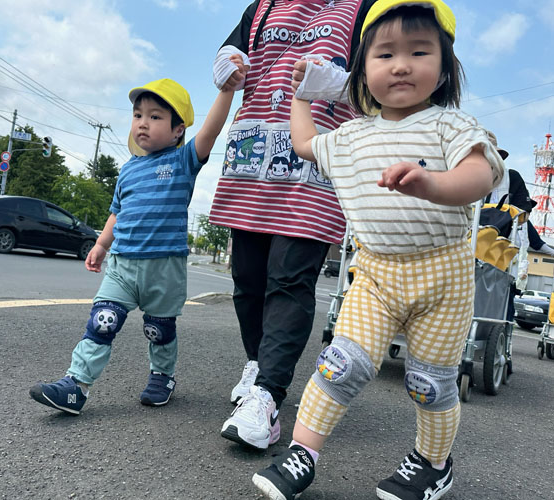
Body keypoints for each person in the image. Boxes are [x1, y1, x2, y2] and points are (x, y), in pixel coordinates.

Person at [251, 1, 505, 499]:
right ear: (363, 70)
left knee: (429, 384)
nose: (402, 64)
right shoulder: (351, 135)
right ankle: (303, 452)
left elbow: (479, 174)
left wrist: (433, 183)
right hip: (375, 273)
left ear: (445, 66)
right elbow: (304, 143)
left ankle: (433, 464)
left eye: (419, 51)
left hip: (443, 278)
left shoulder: (450, 125)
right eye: (385, 54)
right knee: (340, 363)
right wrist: (304, 93)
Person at [212, 0, 378, 451]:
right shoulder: (262, 6)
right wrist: (228, 65)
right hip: (251, 160)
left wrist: (327, 81)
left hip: (314, 164)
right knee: (247, 281)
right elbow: (231, 53)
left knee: (288, 281)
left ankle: (267, 397)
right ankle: (256, 364)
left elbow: (379, 83)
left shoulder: (362, 7)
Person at [29, 76, 238, 414]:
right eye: (138, 115)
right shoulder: (127, 171)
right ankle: (76, 386)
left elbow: (211, 132)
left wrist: (227, 90)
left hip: (165, 268)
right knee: (102, 321)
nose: (143, 122)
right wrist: (100, 245)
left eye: (156, 117)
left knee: (159, 330)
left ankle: (162, 375)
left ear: (177, 130)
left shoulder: (182, 161)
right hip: (123, 265)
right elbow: (117, 213)